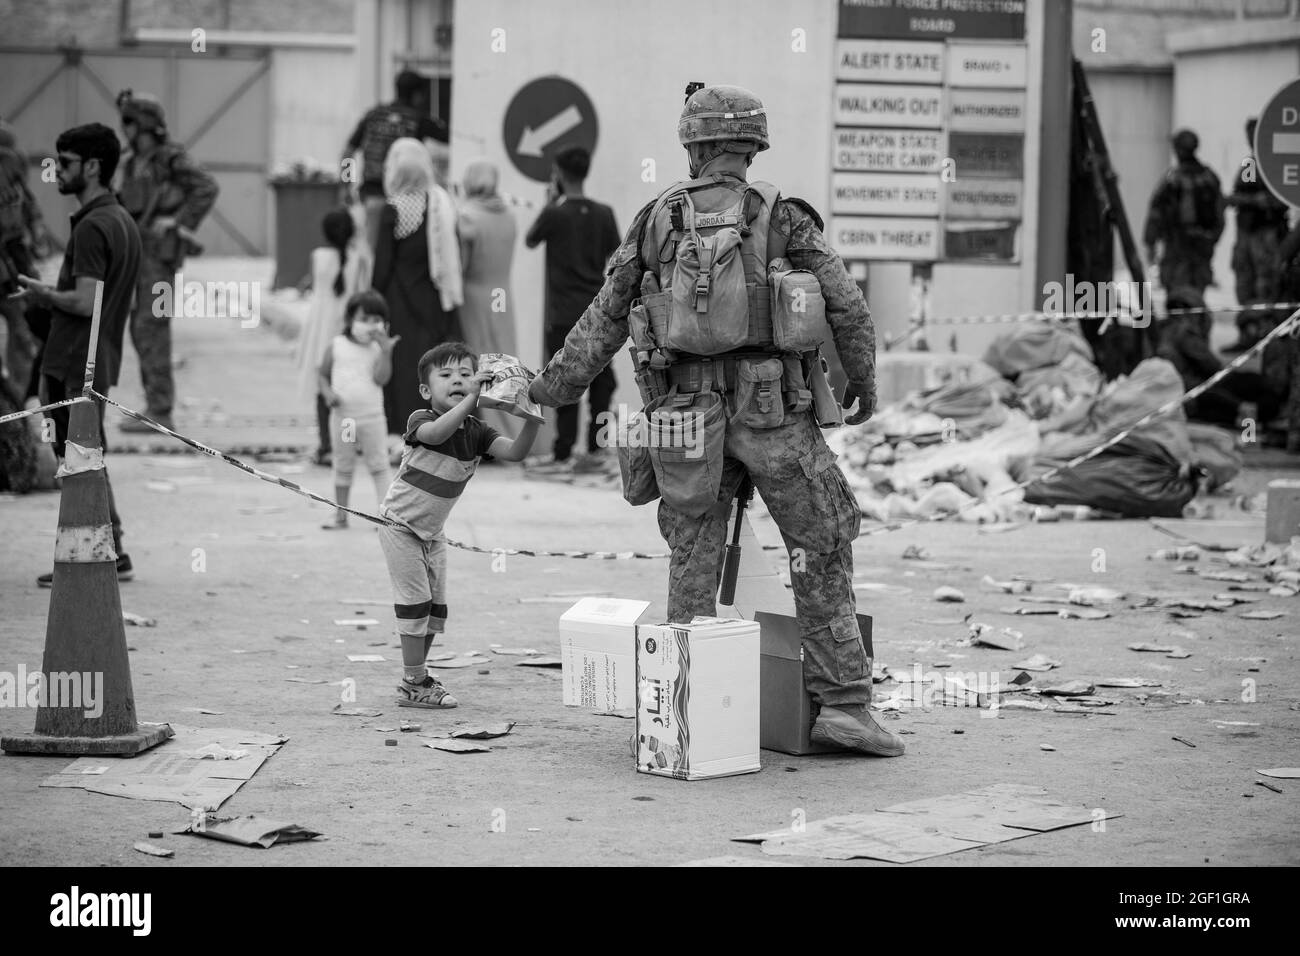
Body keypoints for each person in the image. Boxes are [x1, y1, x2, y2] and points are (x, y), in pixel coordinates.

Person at [528, 84, 901, 757]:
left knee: (693, 556)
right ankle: (844, 705)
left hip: (681, 414)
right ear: (753, 147)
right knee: (819, 546)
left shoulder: (656, 218)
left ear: (693, 146)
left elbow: (604, 317)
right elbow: (846, 307)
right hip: (771, 412)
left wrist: (550, 389)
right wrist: (863, 389)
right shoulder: (783, 217)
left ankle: (682, 717)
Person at [379, 342, 540, 709]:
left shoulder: (478, 432)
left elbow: (515, 453)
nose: (459, 380)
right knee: (415, 604)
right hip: (400, 528)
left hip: (433, 535)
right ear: (426, 390)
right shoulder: (420, 420)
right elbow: (436, 435)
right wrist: (473, 397)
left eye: (467, 374)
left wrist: (532, 414)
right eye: (447, 375)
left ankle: (416, 677)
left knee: (435, 611)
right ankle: (413, 681)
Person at [14, 123, 141, 585]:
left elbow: (87, 302)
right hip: (96, 359)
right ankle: (112, 550)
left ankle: (89, 557)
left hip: (73, 362)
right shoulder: (121, 220)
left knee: (78, 461)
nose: (56, 171)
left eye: (64, 163)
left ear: (91, 166)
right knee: (87, 456)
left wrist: (45, 295)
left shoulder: (93, 226)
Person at [115, 90, 219, 432]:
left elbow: (206, 187)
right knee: (138, 327)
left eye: (130, 121)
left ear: (145, 125)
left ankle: (161, 410)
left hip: (159, 256)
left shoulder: (170, 159)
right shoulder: (131, 162)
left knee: (152, 327)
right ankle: (153, 405)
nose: (125, 128)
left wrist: (179, 222)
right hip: (136, 252)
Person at [524, 146, 621, 475]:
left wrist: (551, 201)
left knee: (564, 381)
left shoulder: (554, 214)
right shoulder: (605, 213)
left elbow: (530, 239)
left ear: (559, 175)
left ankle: (562, 452)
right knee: (603, 381)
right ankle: (595, 449)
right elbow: (615, 255)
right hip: (597, 311)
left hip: (563, 313)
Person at [372, 138, 463, 442]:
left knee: (402, 368)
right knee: (434, 367)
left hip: (399, 303)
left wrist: (372, 305)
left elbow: (383, 265)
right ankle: (438, 428)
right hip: (435, 301)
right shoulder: (440, 204)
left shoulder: (393, 209)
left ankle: (403, 430)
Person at [296, 207, 372, 466]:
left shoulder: (317, 256)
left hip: (320, 330)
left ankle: (326, 446)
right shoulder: (358, 259)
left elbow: (313, 284)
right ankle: (348, 444)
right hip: (344, 328)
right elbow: (362, 293)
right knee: (346, 387)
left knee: (322, 387)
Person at [343, 70, 449, 253]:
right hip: (407, 201)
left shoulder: (373, 115)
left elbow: (348, 153)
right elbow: (449, 137)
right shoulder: (418, 120)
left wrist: (346, 184)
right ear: (417, 95)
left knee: (373, 250)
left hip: (372, 195)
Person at [318, 290, 397, 529]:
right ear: (350, 319)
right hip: (344, 419)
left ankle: (385, 516)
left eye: (377, 320)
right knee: (343, 465)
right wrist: (328, 394)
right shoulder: (337, 345)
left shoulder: (377, 349)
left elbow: (381, 379)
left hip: (372, 418)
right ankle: (340, 515)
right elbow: (322, 374)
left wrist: (386, 352)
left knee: (379, 465)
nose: (370, 326)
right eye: (365, 319)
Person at [456, 160, 518, 440]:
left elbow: (462, 266)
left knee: (479, 360)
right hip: (503, 293)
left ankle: (488, 431)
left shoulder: (467, 216)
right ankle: (512, 427)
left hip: (475, 295)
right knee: (503, 360)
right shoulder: (508, 215)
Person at [1226, 117, 1292, 352]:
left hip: (1266, 236)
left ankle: (1264, 337)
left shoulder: (1273, 164)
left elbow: (1277, 200)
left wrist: (1240, 200)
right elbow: (1245, 189)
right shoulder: (1252, 163)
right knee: (1245, 287)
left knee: (1265, 287)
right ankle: (1248, 335)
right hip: (1248, 234)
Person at [1143, 129, 1224, 312]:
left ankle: (1180, 337)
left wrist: (1150, 244)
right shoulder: (1210, 178)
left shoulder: (1172, 179)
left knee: (1177, 301)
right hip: (1201, 252)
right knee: (1196, 298)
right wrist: (1208, 241)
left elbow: (1156, 212)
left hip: (1177, 250)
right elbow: (1220, 216)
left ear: (1178, 150)